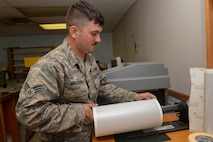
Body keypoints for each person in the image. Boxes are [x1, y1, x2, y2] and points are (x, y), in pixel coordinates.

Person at [15, 0, 156, 141]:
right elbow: (27, 113)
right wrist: (81, 113)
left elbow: (102, 86)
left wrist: (134, 97)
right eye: (94, 34)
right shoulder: (50, 66)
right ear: (74, 32)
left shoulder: (89, 60)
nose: (99, 39)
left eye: (99, 33)